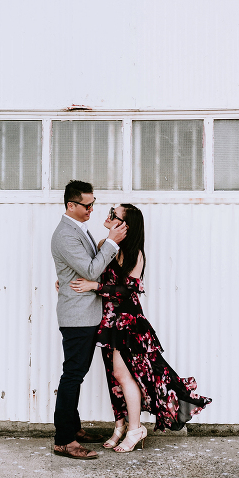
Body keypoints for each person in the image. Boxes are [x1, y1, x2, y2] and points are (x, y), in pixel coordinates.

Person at [71, 204, 212, 453]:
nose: (109, 215)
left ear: (126, 225)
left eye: (115, 215)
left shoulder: (135, 253)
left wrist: (94, 287)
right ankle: (120, 426)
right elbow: (91, 271)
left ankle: (135, 428)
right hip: (109, 322)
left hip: (129, 324)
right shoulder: (107, 244)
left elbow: (127, 291)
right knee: (115, 378)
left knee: (125, 376)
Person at [50, 180, 128, 460]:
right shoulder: (65, 234)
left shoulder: (77, 229)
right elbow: (92, 271)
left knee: (75, 374)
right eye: (87, 205)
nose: (92, 209)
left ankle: (74, 428)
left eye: (94, 203)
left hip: (84, 313)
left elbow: (82, 267)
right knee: (72, 376)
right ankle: (64, 440)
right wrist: (112, 243)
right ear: (71, 205)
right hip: (77, 316)